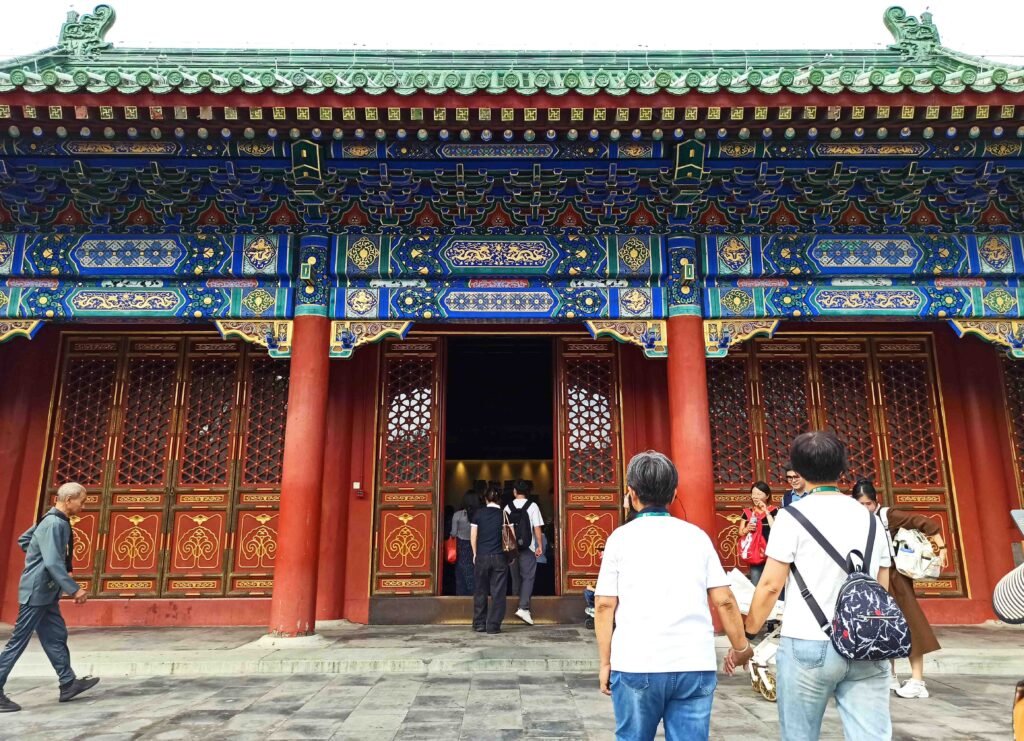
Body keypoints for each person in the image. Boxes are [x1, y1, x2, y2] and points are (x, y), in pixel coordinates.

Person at [743, 432, 893, 741]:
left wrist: (747, 635)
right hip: (866, 641)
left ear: (798, 470)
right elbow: (882, 585)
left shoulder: (791, 517)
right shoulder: (871, 519)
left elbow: (770, 585)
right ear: (842, 468)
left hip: (808, 640)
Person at [595, 451, 753, 741]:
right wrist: (741, 646)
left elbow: (605, 605)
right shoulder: (697, 537)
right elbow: (724, 600)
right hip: (694, 662)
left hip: (636, 661)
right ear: (674, 493)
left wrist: (606, 662)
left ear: (631, 493)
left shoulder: (619, 539)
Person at [0, 483, 101, 712]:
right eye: (82, 501)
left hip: (46, 592)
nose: (83, 506)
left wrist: (38, 554)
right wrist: (74, 589)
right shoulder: (54, 523)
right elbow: (53, 562)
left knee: (55, 636)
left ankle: (68, 682)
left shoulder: (51, 519)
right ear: (69, 500)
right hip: (37, 592)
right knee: (18, 642)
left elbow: (25, 541)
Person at [852, 478, 946, 699]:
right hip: (872, 578)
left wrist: (941, 547)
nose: (865, 508)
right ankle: (890, 676)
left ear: (876, 501)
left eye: (868, 504)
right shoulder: (853, 521)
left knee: (910, 625)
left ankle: (917, 680)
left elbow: (921, 521)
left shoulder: (888, 515)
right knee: (884, 627)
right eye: (860, 504)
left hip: (895, 578)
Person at [470, 485, 509, 634]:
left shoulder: (478, 514)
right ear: (499, 499)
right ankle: (493, 625)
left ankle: (479, 624)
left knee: (480, 591)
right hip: (499, 557)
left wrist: (475, 554)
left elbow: (473, 536)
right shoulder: (504, 514)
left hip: (482, 556)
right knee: (498, 592)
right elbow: (509, 537)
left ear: (485, 498)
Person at [505, 479, 544, 626]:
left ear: (514, 492)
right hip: (528, 548)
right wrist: (539, 545)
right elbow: (537, 528)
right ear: (527, 492)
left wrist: (507, 549)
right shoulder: (532, 506)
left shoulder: (507, 507)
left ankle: (514, 607)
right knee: (528, 577)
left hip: (512, 548)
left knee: (515, 577)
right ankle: (523, 608)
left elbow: (505, 530)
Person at [739, 481, 777, 585]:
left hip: (772, 551)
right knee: (756, 583)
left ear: (767, 496)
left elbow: (775, 529)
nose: (755, 497)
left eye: (759, 494)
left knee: (773, 583)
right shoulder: (747, 512)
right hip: (755, 552)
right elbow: (741, 533)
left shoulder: (774, 510)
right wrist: (747, 529)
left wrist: (766, 511)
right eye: (753, 494)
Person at [451, 491, 480, 596]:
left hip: (461, 547)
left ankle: (461, 598)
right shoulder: (480, 515)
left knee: (460, 575)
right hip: (476, 547)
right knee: (474, 573)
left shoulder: (457, 515)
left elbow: (453, 533)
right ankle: (475, 595)